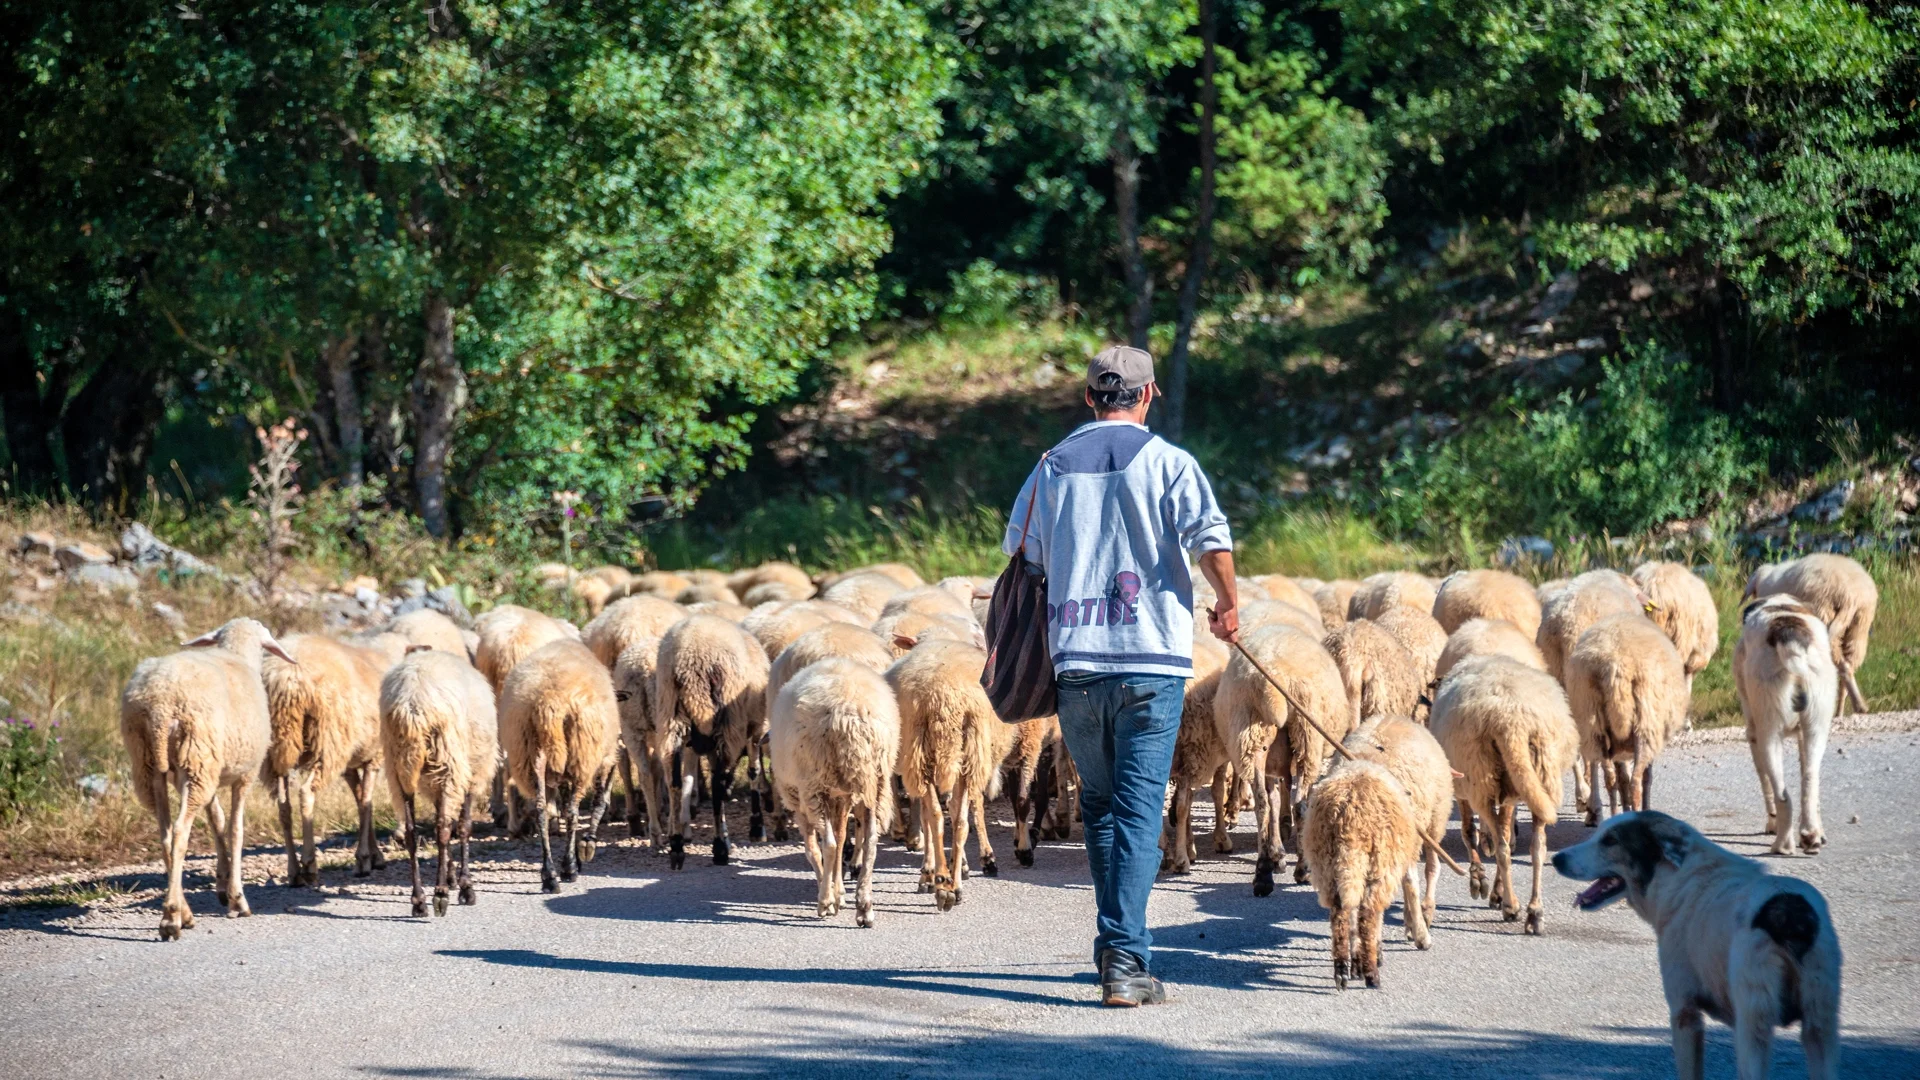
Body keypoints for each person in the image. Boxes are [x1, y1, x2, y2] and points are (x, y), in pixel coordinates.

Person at [1002, 344, 1239, 1007]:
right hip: (1150, 662)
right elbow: (1212, 542)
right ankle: (1127, 963)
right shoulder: (1170, 463)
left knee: (1103, 810)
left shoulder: (1050, 467)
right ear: (1149, 394)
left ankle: (1114, 948)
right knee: (1137, 813)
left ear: (1088, 398)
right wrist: (1228, 605)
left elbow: (1025, 556)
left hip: (1076, 663)